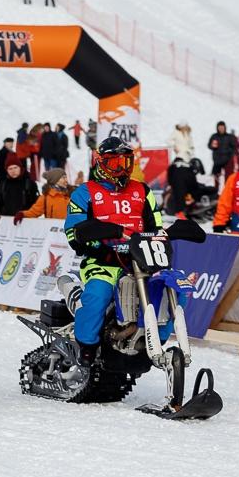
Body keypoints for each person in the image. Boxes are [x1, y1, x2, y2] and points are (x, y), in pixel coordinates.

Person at [64, 138, 163, 365]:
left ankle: (155, 341)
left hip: (139, 262)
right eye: (115, 162)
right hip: (103, 262)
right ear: (101, 163)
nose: (122, 169)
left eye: (126, 162)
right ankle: (86, 347)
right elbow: (73, 232)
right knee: (98, 295)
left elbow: (156, 226)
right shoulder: (85, 192)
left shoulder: (142, 191)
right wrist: (95, 237)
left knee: (168, 290)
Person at [207, 121, 239, 189]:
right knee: (216, 178)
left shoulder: (229, 137)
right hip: (217, 160)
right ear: (217, 128)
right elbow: (209, 145)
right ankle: (215, 193)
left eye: (222, 127)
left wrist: (229, 151)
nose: (221, 129)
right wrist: (212, 146)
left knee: (228, 178)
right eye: (219, 127)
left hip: (227, 160)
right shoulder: (214, 136)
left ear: (225, 128)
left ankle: (227, 192)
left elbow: (234, 147)